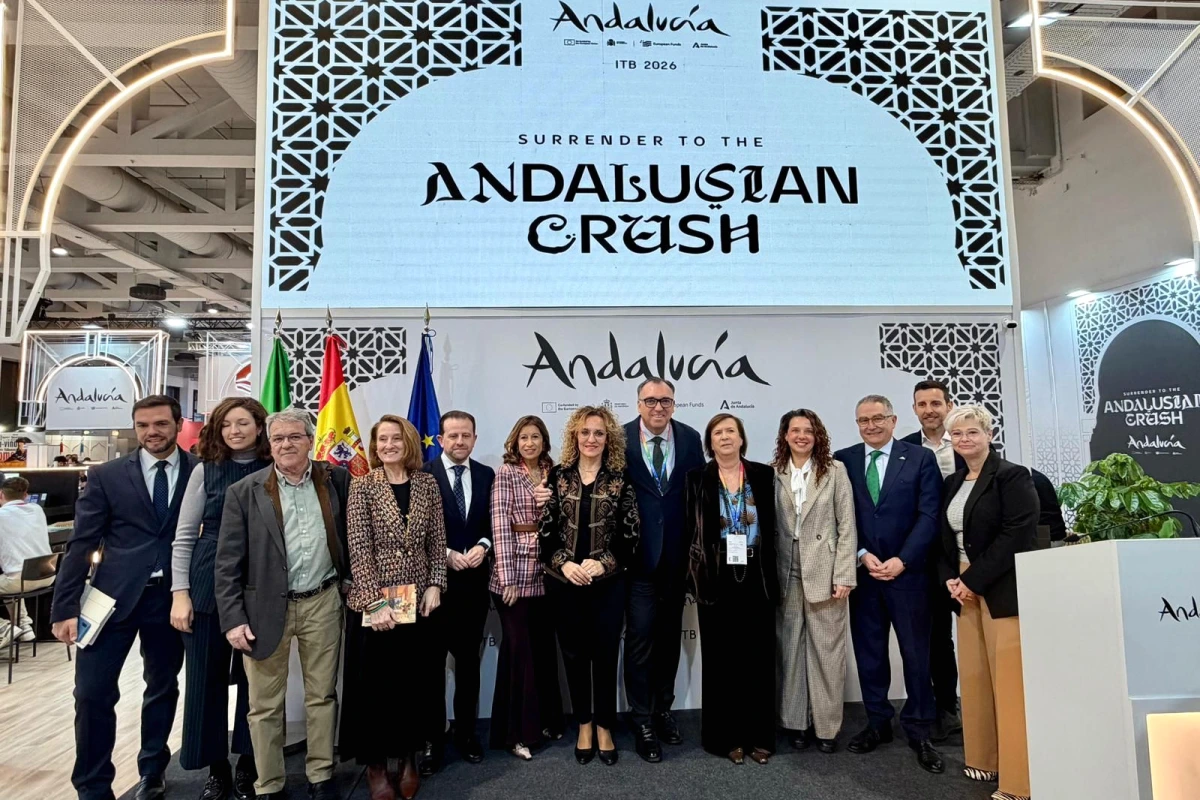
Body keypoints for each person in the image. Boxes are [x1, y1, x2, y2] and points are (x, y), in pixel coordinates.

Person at [50, 395, 195, 800]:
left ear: (177, 424)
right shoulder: (106, 475)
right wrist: (64, 607)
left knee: (162, 686)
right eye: (143, 425)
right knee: (91, 693)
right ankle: (92, 787)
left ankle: (153, 769)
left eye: (161, 424)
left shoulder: (201, 471)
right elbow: (81, 543)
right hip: (108, 600)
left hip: (172, 599)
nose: (152, 432)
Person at [213, 409, 350, 800]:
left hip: (322, 601)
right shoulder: (245, 491)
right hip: (263, 611)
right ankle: (269, 784)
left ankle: (321, 775)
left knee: (322, 696)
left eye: (295, 437)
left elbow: (349, 536)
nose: (286, 444)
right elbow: (227, 562)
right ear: (269, 444)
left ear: (310, 440)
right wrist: (233, 619)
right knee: (263, 705)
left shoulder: (336, 479)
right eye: (278, 439)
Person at [834, 394, 944, 774]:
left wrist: (902, 559)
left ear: (894, 420)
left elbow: (929, 515)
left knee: (916, 656)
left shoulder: (920, 458)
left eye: (878, 418)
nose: (871, 426)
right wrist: (862, 554)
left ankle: (919, 730)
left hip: (909, 575)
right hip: (865, 575)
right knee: (870, 655)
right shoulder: (844, 461)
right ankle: (877, 722)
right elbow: (840, 516)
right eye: (863, 420)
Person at [169, 398, 272, 800]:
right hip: (206, 583)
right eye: (226, 424)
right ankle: (216, 769)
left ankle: (248, 764)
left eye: (242, 423)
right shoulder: (204, 470)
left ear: (259, 427)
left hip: (260, 582)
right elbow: (184, 536)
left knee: (255, 683)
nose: (234, 431)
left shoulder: (275, 467)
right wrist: (180, 594)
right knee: (204, 681)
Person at [344, 416, 446, 800]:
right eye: (382, 439)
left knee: (411, 686)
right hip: (376, 604)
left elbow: (437, 540)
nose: (389, 445)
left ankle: (407, 759)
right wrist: (376, 602)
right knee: (375, 690)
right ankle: (375, 766)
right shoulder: (362, 485)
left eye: (396, 438)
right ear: (374, 445)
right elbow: (359, 548)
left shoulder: (427, 484)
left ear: (409, 443)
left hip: (418, 603)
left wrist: (436, 583)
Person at [939, 405, 1036, 800]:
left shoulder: (1012, 476)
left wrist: (972, 580)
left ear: (989, 434)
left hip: (999, 587)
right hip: (962, 588)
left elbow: (1018, 533)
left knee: (1010, 684)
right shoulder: (953, 481)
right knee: (975, 677)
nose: (964, 440)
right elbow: (944, 536)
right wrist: (952, 578)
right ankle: (984, 759)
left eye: (972, 432)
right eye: (957, 434)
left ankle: (1018, 782)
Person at [539, 405, 639, 767]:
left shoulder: (620, 478)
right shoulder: (558, 476)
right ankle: (584, 723)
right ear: (575, 436)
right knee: (574, 655)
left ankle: (604, 726)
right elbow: (545, 533)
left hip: (607, 584)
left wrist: (603, 563)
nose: (591, 439)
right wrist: (564, 564)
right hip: (565, 583)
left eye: (598, 433)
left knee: (605, 655)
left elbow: (631, 535)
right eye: (585, 432)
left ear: (607, 438)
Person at [622, 378, 705, 762]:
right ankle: (641, 719)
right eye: (651, 400)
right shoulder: (619, 438)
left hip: (676, 559)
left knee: (670, 640)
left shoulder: (690, 438)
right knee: (640, 640)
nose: (658, 407)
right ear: (639, 403)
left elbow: (697, 497)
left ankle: (663, 710)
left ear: (674, 404)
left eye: (666, 401)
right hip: (637, 559)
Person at [688, 413, 779, 765]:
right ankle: (724, 738)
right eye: (717, 433)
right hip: (715, 575)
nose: (725, 437)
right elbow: (690, 531)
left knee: (758, 658)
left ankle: (759, 736)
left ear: (741, 438)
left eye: (731, 431)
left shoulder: (763, 475)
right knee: (720, 659)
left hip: (758, 574)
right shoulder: (697, 478)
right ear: (709, 442)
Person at [771, 409, 857, 753]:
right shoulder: (774, 472)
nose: (802, 436)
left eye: (808, 430)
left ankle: (826, 727)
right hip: (785, 570)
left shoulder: (835, 471)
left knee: (826, 652)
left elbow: (847, 524)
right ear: (785, 435)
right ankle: (796, 723)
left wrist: (845, 574)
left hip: (825, 568)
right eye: (795, 430)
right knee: (790, 650)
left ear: (817, 435)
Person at [420, 410, 495, 773]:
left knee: (468, 666)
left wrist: (484, 545)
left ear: (475, 439)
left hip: (474, 588)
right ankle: (433, 741)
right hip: (435, 588)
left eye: (466, 435)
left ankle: (466, 734)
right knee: (432, 669)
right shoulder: (423, 476)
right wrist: (446, 554)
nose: (460, 441)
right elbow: (416, 532)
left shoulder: (487, 475)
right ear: (440, 439)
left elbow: (494, 523)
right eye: (453, 435)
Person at [488, 415, 565, 760]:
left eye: (535, 437)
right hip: (515, 574)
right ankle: (516, 733)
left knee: (544, 650)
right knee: (518, 652)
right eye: (524, 438)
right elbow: (500, 526)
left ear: (544, 441)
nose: (530, 443)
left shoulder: (555, 472)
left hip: (549, 574)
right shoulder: (506, 473)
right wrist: (507, 578)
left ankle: (548, 721)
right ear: (515, 443)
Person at [900, 379, 963, 742]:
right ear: (914, 410)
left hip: (962, 555)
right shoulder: (905, 448)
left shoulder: (967, 444)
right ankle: (932, 709)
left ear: (948, 406)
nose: (929, 410)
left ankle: (951, 707)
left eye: (935, 403)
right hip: (921, 556)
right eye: (922, 404)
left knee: (952, 638)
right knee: (929, 637)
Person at [0, 476, 54, 647]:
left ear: (1, 494)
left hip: (19, 580)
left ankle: (2, 627)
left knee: (11, 579)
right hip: (46, 575)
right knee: (11, 577)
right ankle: (23, 626)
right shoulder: (37, 510)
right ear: (26, 495)